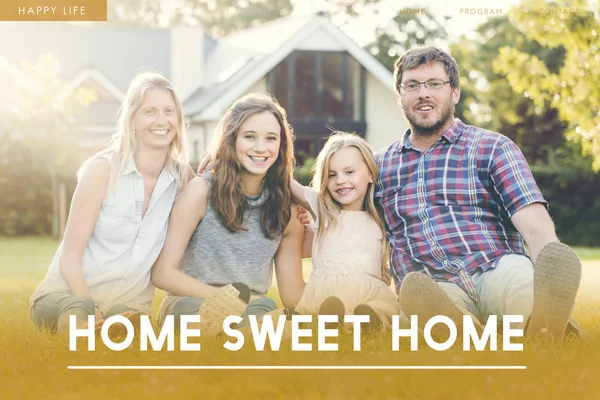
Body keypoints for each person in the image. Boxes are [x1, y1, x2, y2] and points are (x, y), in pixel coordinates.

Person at [375, 45, 582, 341]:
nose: (423, 93)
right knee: (422, 305)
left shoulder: (493, 147)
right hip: (433, 289)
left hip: (496, 267)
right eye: (412, 85)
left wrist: (549, 272)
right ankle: (494, 337)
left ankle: (544, 324)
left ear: (455, 92)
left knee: (521, 289)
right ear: (400, 96)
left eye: (434, 83)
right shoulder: (377, 166)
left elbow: (535, 226)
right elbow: (342, 218)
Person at [30, 71, 192, 333]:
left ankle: (108, 329)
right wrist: (89, 306)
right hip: (67, 294)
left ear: (178, 119)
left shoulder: (183, 180)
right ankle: (80, 332)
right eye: (149, 111)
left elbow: (213, 197)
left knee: (130, 323)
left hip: (127, 306)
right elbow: (70, 256)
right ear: (132, 121)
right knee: (77, 312)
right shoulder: (101, 171)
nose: (161, 120)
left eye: (169, 111)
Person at [151, 93, 305, 335]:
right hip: (189, 302)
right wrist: (227, 299)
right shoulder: (201, 191)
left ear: (281, 145)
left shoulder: (286, 209)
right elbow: (162, 273)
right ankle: (252, 332)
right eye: (249, 137)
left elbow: (293, 294)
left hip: (254, 307)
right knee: (199, 312)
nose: (261, 148)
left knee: (267, 306)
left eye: (271, 138)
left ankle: (244, 332)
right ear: (231, 140)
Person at [291, 132, 400, 331]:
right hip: (326, 295)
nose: (340, 180)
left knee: (377, 310)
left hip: (368, 295)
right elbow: (287, 184)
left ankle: (369, 323)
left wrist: (382, 268)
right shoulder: (322, 208)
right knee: (325, 309)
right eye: (332, 175)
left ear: (370, 174)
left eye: (349, 172)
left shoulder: (380, 217)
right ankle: (331, 320)